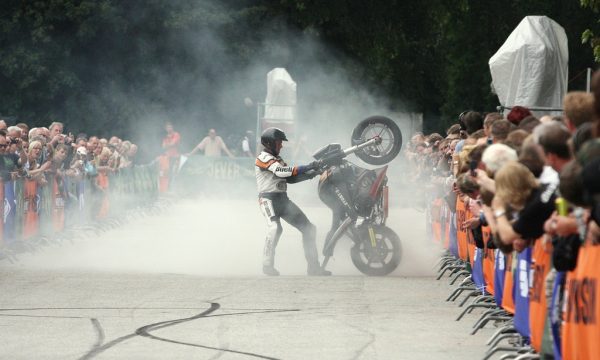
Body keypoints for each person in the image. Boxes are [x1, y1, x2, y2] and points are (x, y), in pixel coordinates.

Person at [255, 127, 330, 276]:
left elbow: (290, 179)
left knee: (309, 229)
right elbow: (281, 172)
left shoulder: (277, 160)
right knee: (274, 228)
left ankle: (314, 267)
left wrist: (312, 173)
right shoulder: (262, 158)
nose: (281, 145)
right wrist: (308, 166)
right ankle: (267, 265)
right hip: (267, 199)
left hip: (282, 200)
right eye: (279, 142)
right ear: (270, 143)